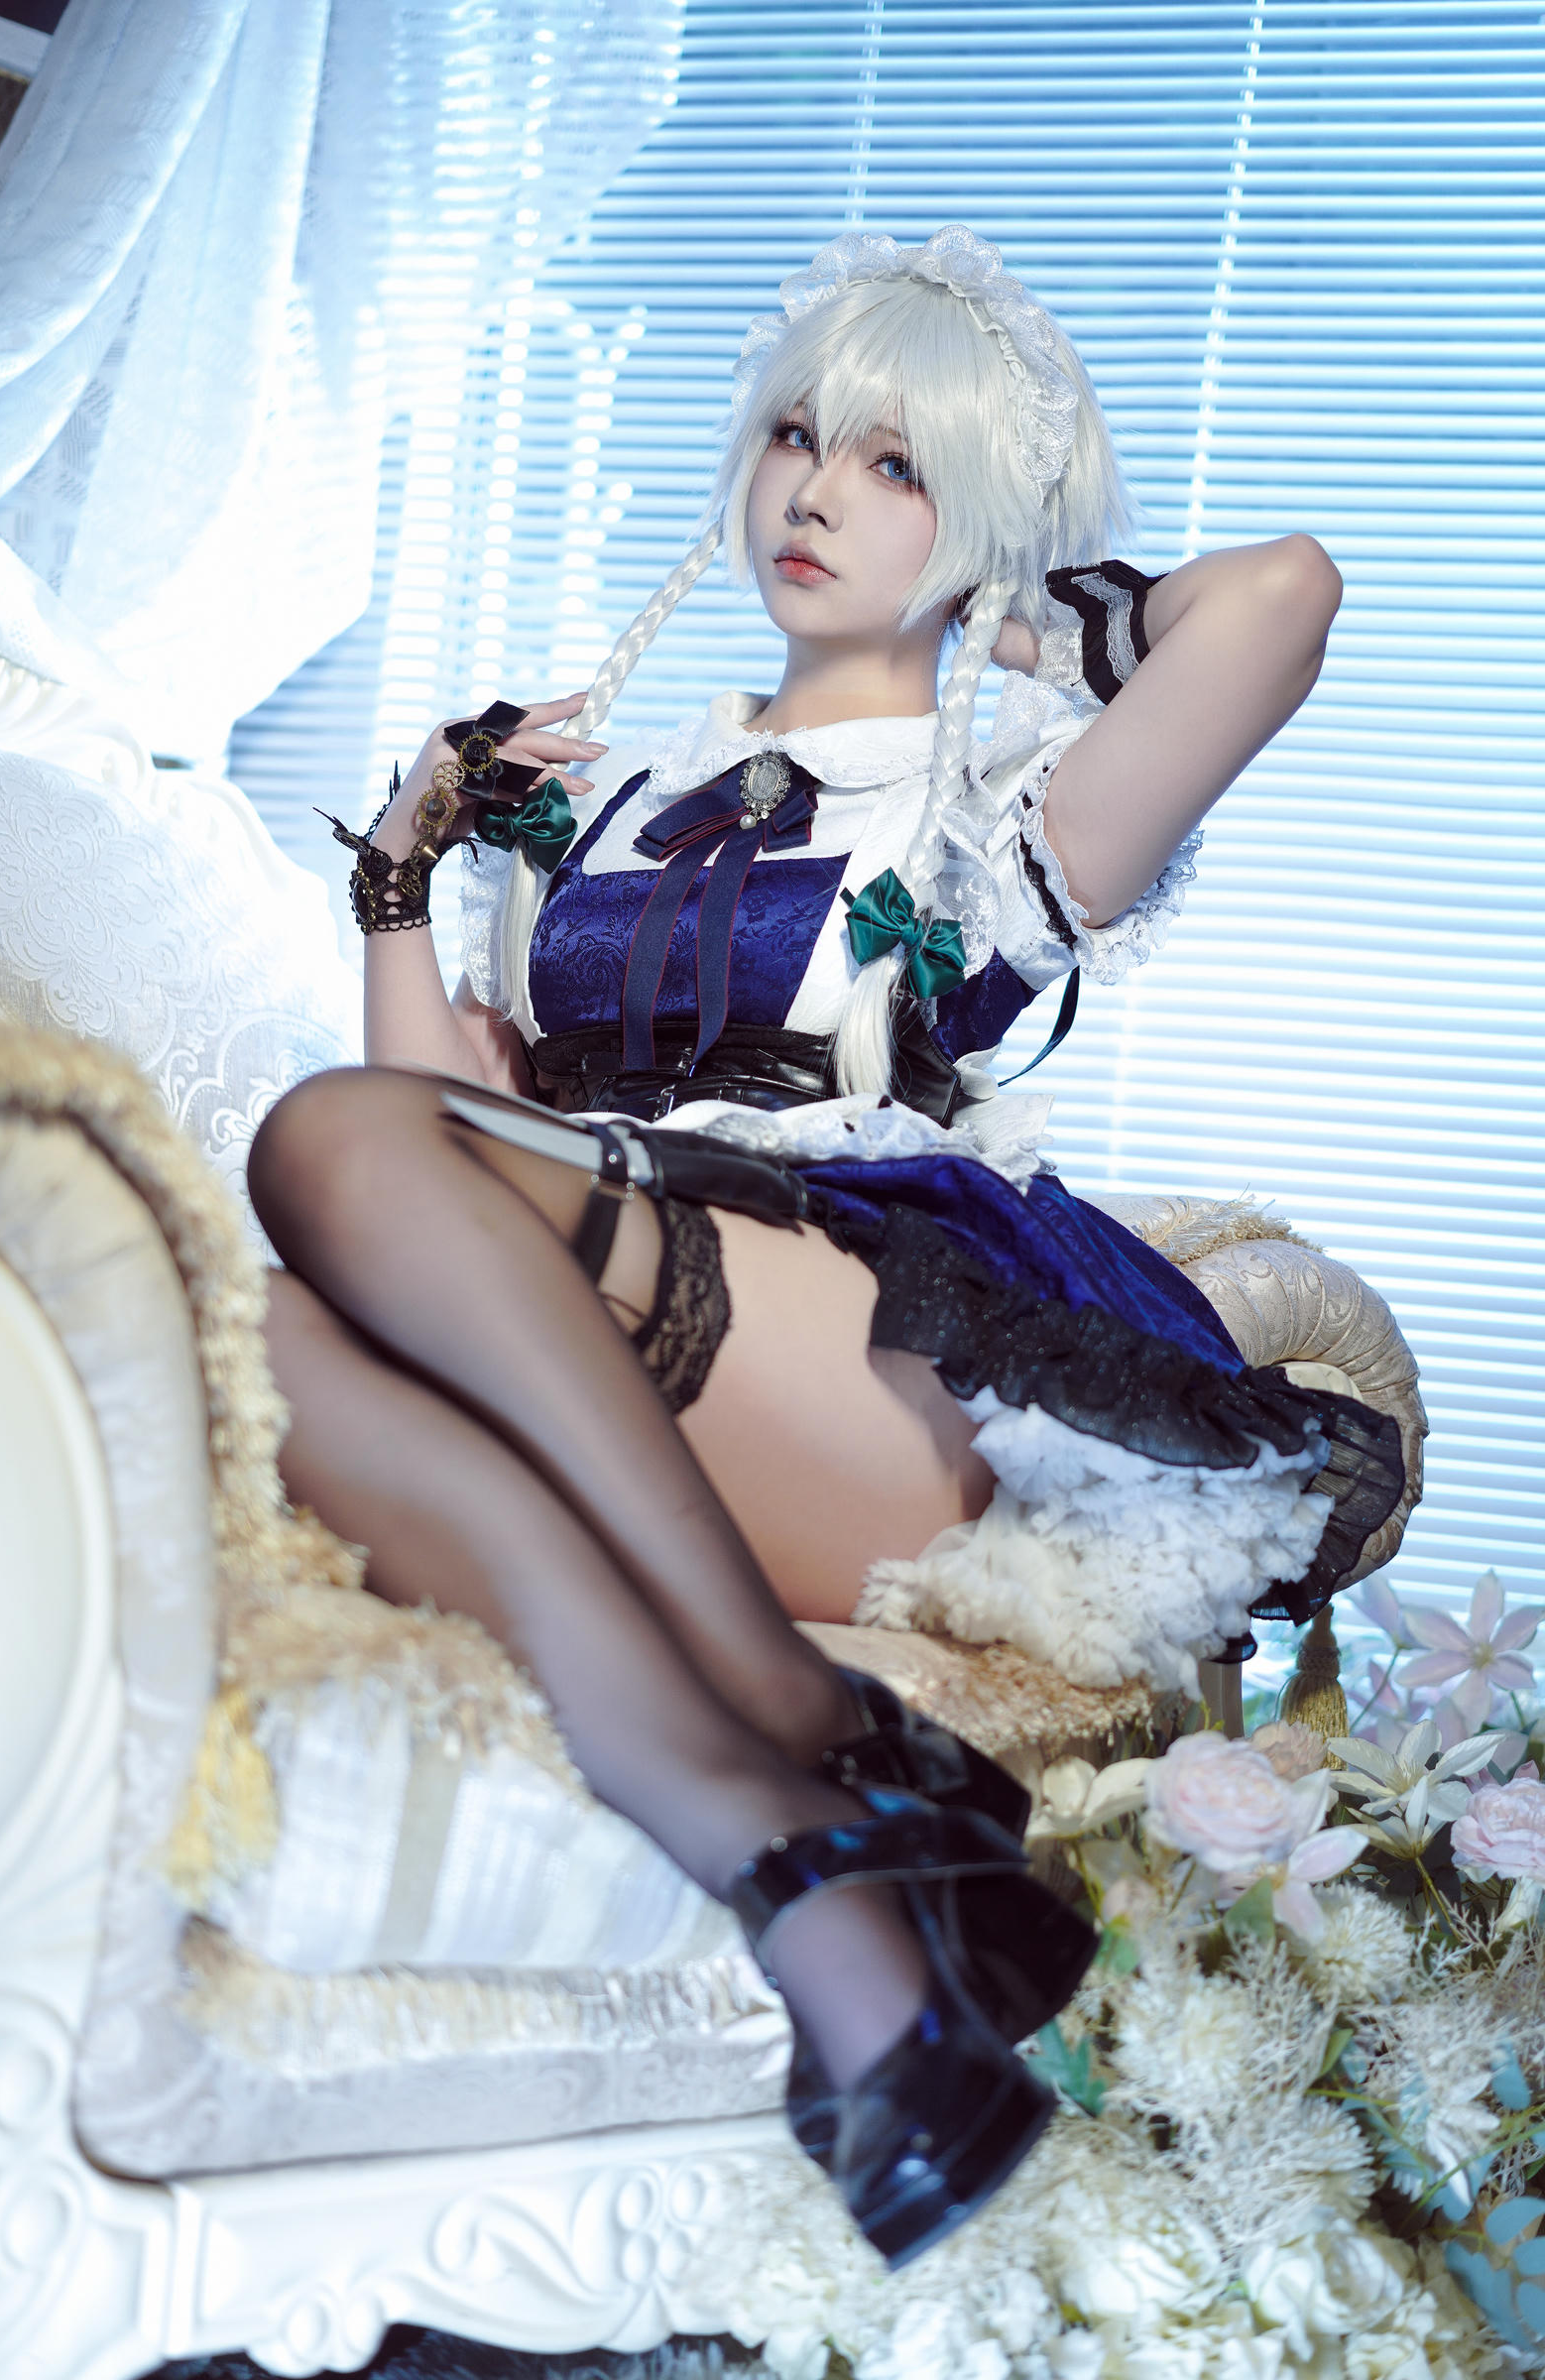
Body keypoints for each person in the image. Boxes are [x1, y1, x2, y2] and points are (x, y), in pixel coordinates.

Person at [247, 227, 1403, 2266]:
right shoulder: (616, 800)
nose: (813, 492)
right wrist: (406, 876)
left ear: (982, 525)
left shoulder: (997, 807)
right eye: (796, 438)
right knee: (277, 1315)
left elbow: (1280, 597)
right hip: (615, 1305)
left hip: (865, 1360)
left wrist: (1041, 603)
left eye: (895, 465)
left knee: (325, 1144)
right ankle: (828, 1908)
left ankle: (810, 1734)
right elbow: (420, 1162)